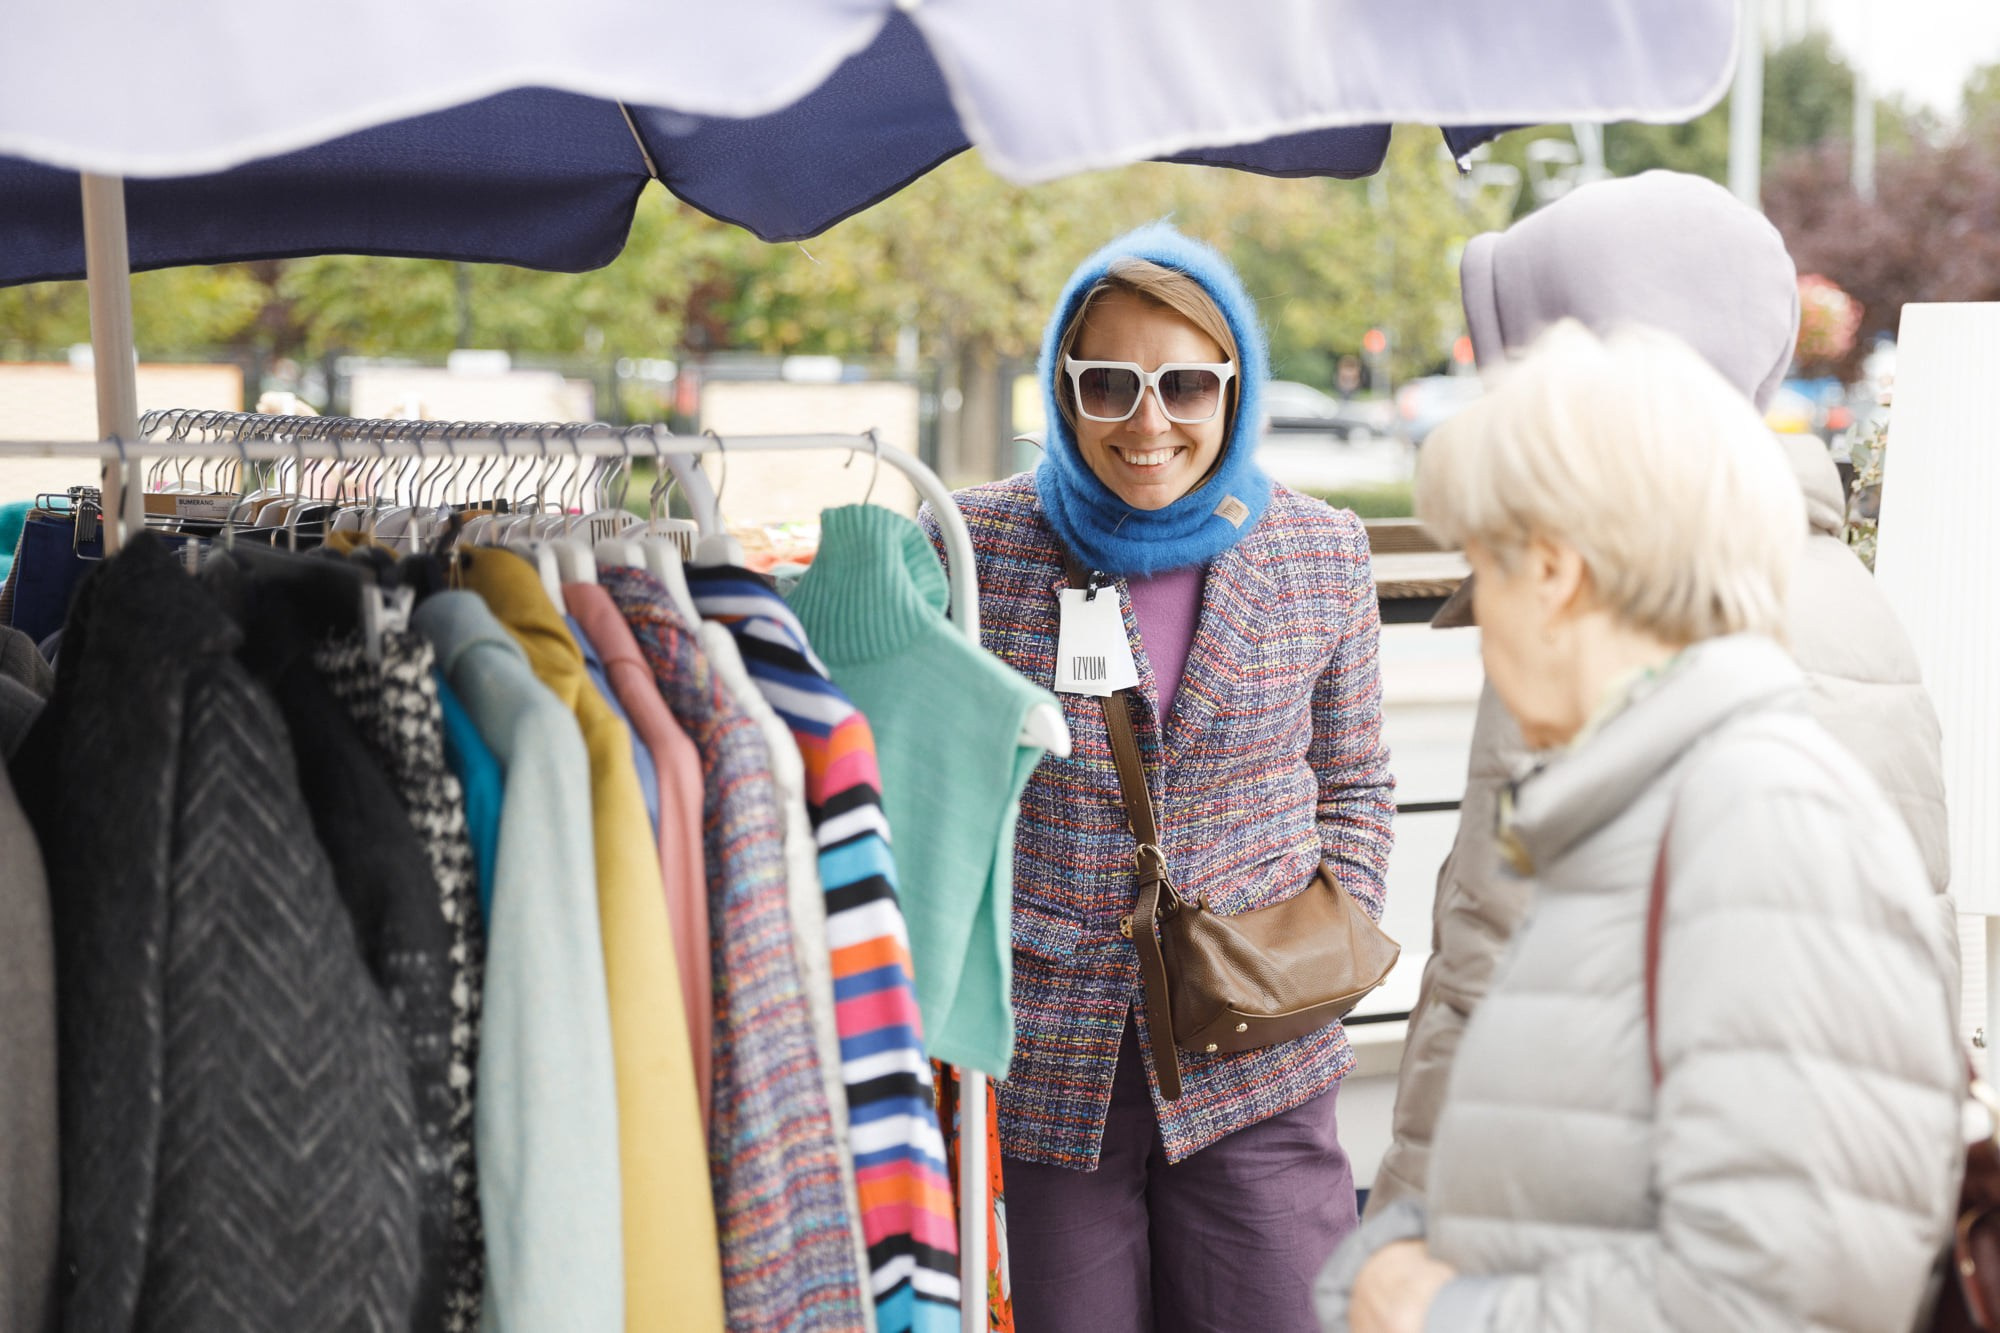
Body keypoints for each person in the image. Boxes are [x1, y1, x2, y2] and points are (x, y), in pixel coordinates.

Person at [1316, 319, 1961, 1333]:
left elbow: (1782, 1295)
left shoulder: (1753, 826)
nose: (1478, 625)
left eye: (1481, 573)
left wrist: (1440, 1311)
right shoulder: (1658, 814)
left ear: (1553, 573)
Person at [923, 221, 1396, 1333]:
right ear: (1063, 388)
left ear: (1236, 389)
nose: (1147, 422)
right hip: (1050, 1064)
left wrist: (1324, 935)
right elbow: (931, 786)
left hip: (1262, 1050)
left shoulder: (1321, 551)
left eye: (1184, 384)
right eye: (1109, 384)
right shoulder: (973, 547)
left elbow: (1357, 783)